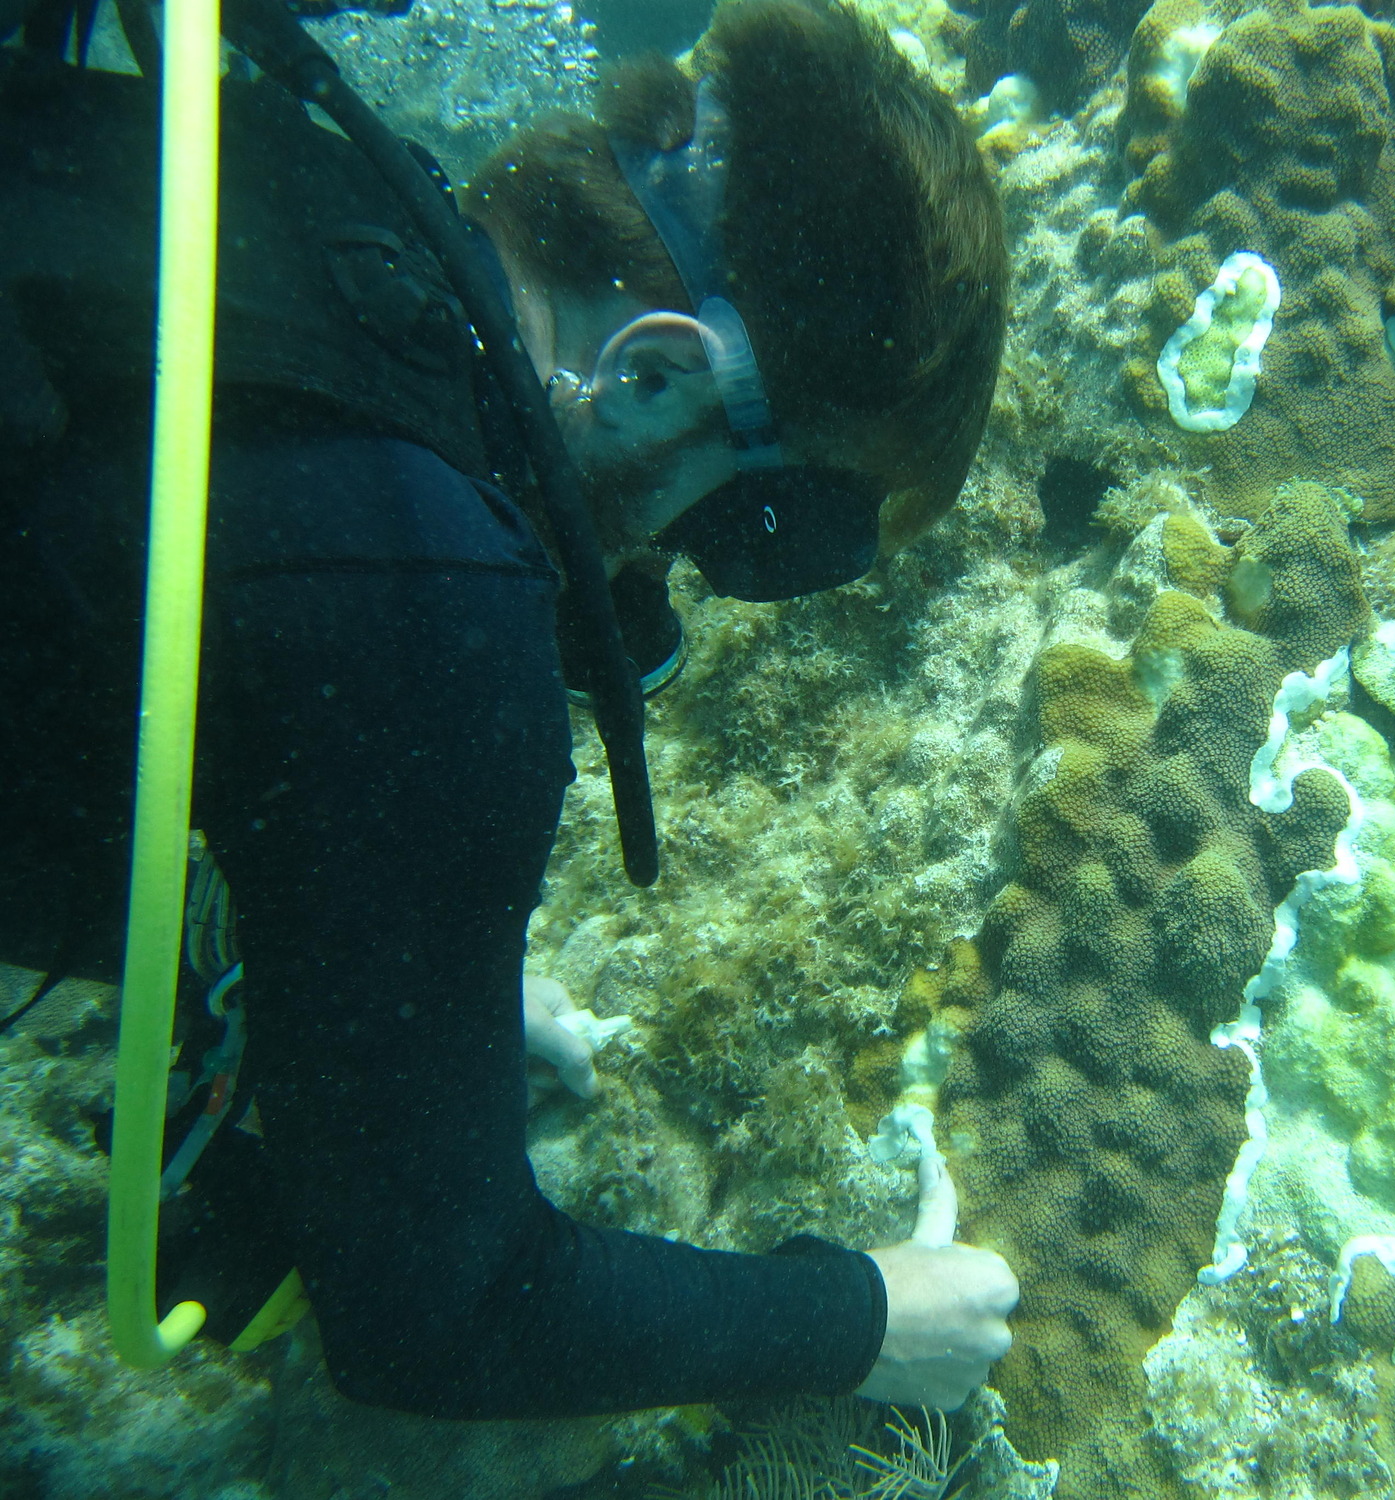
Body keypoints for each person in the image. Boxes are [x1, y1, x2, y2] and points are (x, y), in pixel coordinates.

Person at [0, 0, 1016, 1420]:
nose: (692, 583)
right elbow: (441, 1314)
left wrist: (396, 988)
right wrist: (858, 1319)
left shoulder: (285, 188)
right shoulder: (433, 599)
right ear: (655, 370)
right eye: (769, 532)